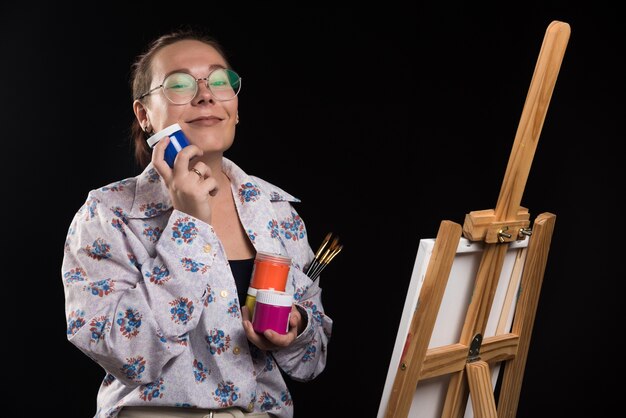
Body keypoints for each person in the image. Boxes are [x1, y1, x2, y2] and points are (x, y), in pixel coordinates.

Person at [61, 28, 332, 418]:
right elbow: (126, 356)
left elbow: (313, 359)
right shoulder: (107, 215)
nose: (206, 94)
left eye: (220, 81)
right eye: (179, 85)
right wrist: (188, 225)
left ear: (235, 106)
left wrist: (296, 328)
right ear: (145, 115)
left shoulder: (278, 212)